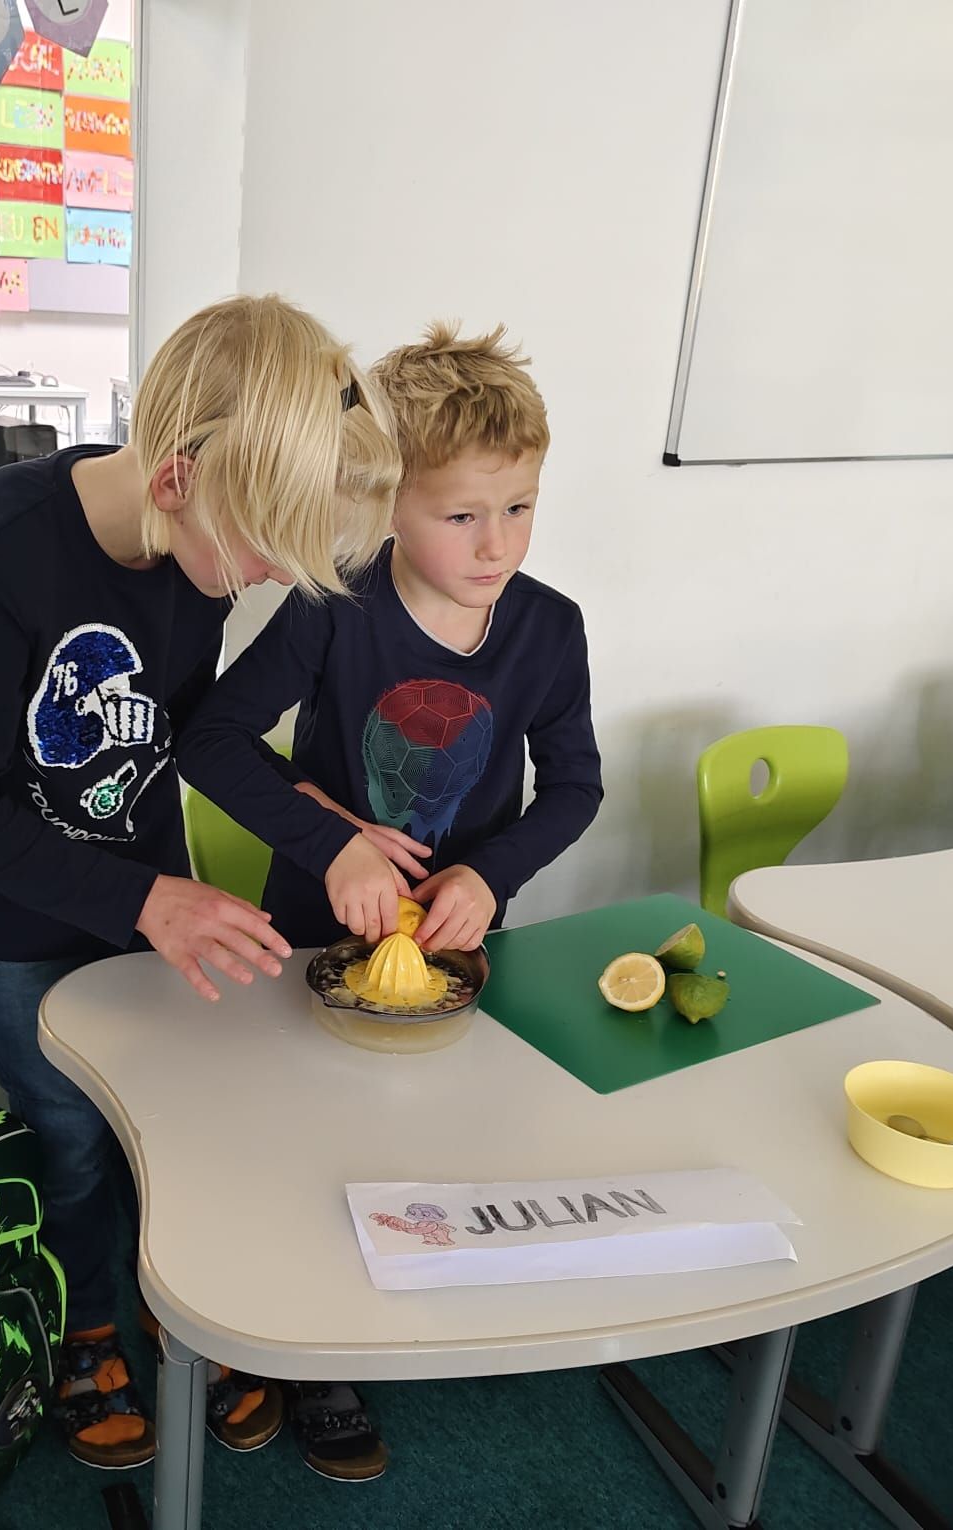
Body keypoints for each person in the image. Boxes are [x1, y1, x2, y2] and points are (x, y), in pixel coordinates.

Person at [0, 294, 402, 1470]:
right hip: (12, 916)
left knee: (174, 1118)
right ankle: (86, 1329)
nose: (270, 575)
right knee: (69, 1133)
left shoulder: (203, 550)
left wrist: (301, 809)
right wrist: (144, 901)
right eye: (267, 547)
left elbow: (167, 725)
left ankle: (188, 1305)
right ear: (176, 478)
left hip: (136, 886)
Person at [179, 324, 603, 1478]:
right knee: (310, 1143)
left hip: (461, 948)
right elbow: (209, 738)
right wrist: (329, 845)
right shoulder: (335, 607)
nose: (495, 542)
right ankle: (311, 1355)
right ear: (387, 506)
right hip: (316, 936)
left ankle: (405, 1303)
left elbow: (576, 786)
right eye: (462, 513)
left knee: (431, 1135)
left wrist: (487, 872)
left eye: (519, 507)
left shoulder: (548, 629)